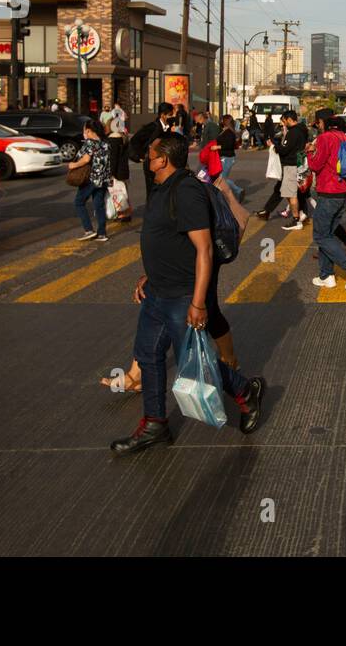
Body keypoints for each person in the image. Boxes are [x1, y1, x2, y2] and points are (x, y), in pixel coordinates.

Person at [110, 133, 265, 454]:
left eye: (150, 154)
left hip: (181, 295)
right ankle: (155, 424)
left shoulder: (186, 191)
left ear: (163, 159)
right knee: (149, 355)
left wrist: (197, 302)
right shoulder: (162, 189)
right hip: (157, 292)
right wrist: (148, 275)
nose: (146, 159)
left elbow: (204, 249)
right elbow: (165, 240)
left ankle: (246, 393)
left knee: (195, 362)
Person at [305, 109, 346, 290]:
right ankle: (326, 276)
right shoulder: (345, 139)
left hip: (329, 193)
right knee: (328, 235)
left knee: (321, 235)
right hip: (343, 193)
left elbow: (316, 165)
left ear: (324, 123)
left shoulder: (325, 138)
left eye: (319, 123)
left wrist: (309, 151)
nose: (318, 126)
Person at [256, 111, 307, 227]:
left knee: (291, 194)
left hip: (290, 166)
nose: (283, 123)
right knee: (288, 192)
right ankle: (299, 214)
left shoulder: (293, 132)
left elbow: (285, 149)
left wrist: (273, 146)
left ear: (289, 119)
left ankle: (297, 219)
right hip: (298, 165)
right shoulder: (302, 130)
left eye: (283, 121)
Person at [69, 118, 111, 242]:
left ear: (88, 130)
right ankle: (102, 233)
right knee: (99, 205)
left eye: (84, 130)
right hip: (103, 178)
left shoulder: (90, 143)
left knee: (79, 202)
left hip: (91, 178)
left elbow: (86, 159)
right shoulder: (105, 143)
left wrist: (73, 165)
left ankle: (89, 230)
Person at [129, 102, 178, 201]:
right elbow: (135, 140)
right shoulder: (152, 127)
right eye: (170, 115)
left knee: (164, 187)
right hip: (151, 162)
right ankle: (151, 210)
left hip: (164, 162)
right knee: (152, 188)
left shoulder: (168, 127)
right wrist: (140, 155)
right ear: (163, 115)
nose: (172, 117)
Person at [215, 113, 243, 202]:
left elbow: (228, 145)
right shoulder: (225, 131)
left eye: (222, 120)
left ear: (225, 121)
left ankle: (237, 190)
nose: (221, 121)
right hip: (224, 157)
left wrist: (218, 147)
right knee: (221, 178)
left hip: (227, 157)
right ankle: (229, 194)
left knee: (221, 178)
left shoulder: (229, 132)